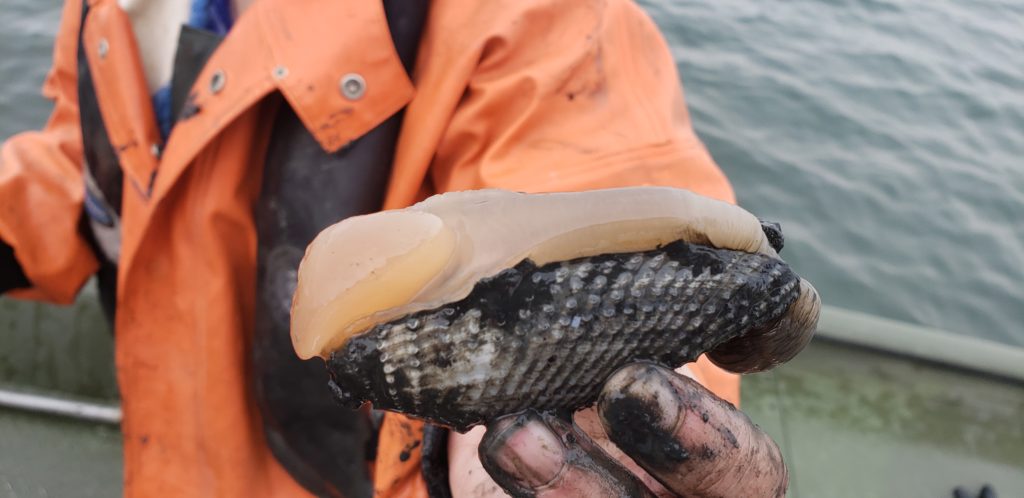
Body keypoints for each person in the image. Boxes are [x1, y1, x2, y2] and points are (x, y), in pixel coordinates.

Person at [0, 0, 801, 496]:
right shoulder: (113, 9)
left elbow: (598, 168)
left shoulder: (538, 18)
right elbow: (103, 165)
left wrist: (537, 451)